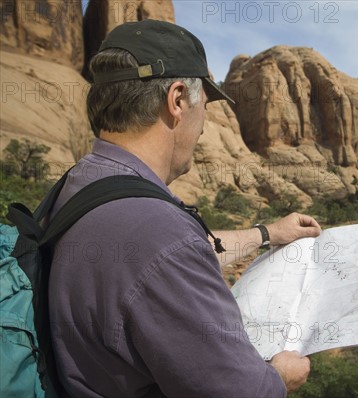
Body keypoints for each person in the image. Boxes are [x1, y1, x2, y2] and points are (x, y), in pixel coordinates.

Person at [48, 19, 320, 397]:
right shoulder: (157, 231)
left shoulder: (83, 181)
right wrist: (279, 374)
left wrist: (268, 233)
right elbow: (242, 392)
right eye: (205, 106)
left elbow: (161, 258)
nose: (205, 126)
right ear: (177, 100)